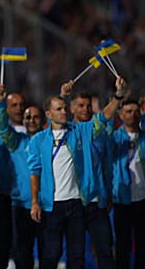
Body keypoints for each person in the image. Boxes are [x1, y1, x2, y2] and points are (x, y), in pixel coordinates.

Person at [28, 77, 126, 268]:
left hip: (76, 204)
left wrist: (118, 96)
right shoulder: (38, 140)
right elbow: (35, 172)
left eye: (65, 108)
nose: (64, 111)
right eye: (59, 109)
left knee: (77, 255)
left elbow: (104, 117)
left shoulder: (79, 130)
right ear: (48, 114)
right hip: (52, 205)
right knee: (50, 254)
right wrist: (34, 202)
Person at [60, 83, 114, 269]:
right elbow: (56, 118)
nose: (86, 109)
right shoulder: (65, 133)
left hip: (96, 201)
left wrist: (108, 192)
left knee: (105, 250)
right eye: (81, 105)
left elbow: (108, 167)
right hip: (74, 202)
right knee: (76, 255)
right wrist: (63, 96)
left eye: (88, 105)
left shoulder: (101, 134)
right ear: (72, 108)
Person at [0, 84, 45, 269]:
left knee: (49, 252)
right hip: (22, 205)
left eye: (35, 117)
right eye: (28, 117)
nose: (31, 120)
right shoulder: (16, 142)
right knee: (23, 252)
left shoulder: (50, 141)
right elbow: (1, 127)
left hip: (47, 203)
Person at [108, 98, 145, 269]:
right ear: (121, 115)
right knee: (122, 245)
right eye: (128, 111)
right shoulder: (114, 138)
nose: (133, 115)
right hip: (121, 199)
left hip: (142, 199)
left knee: (142, 245)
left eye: (136, 111)